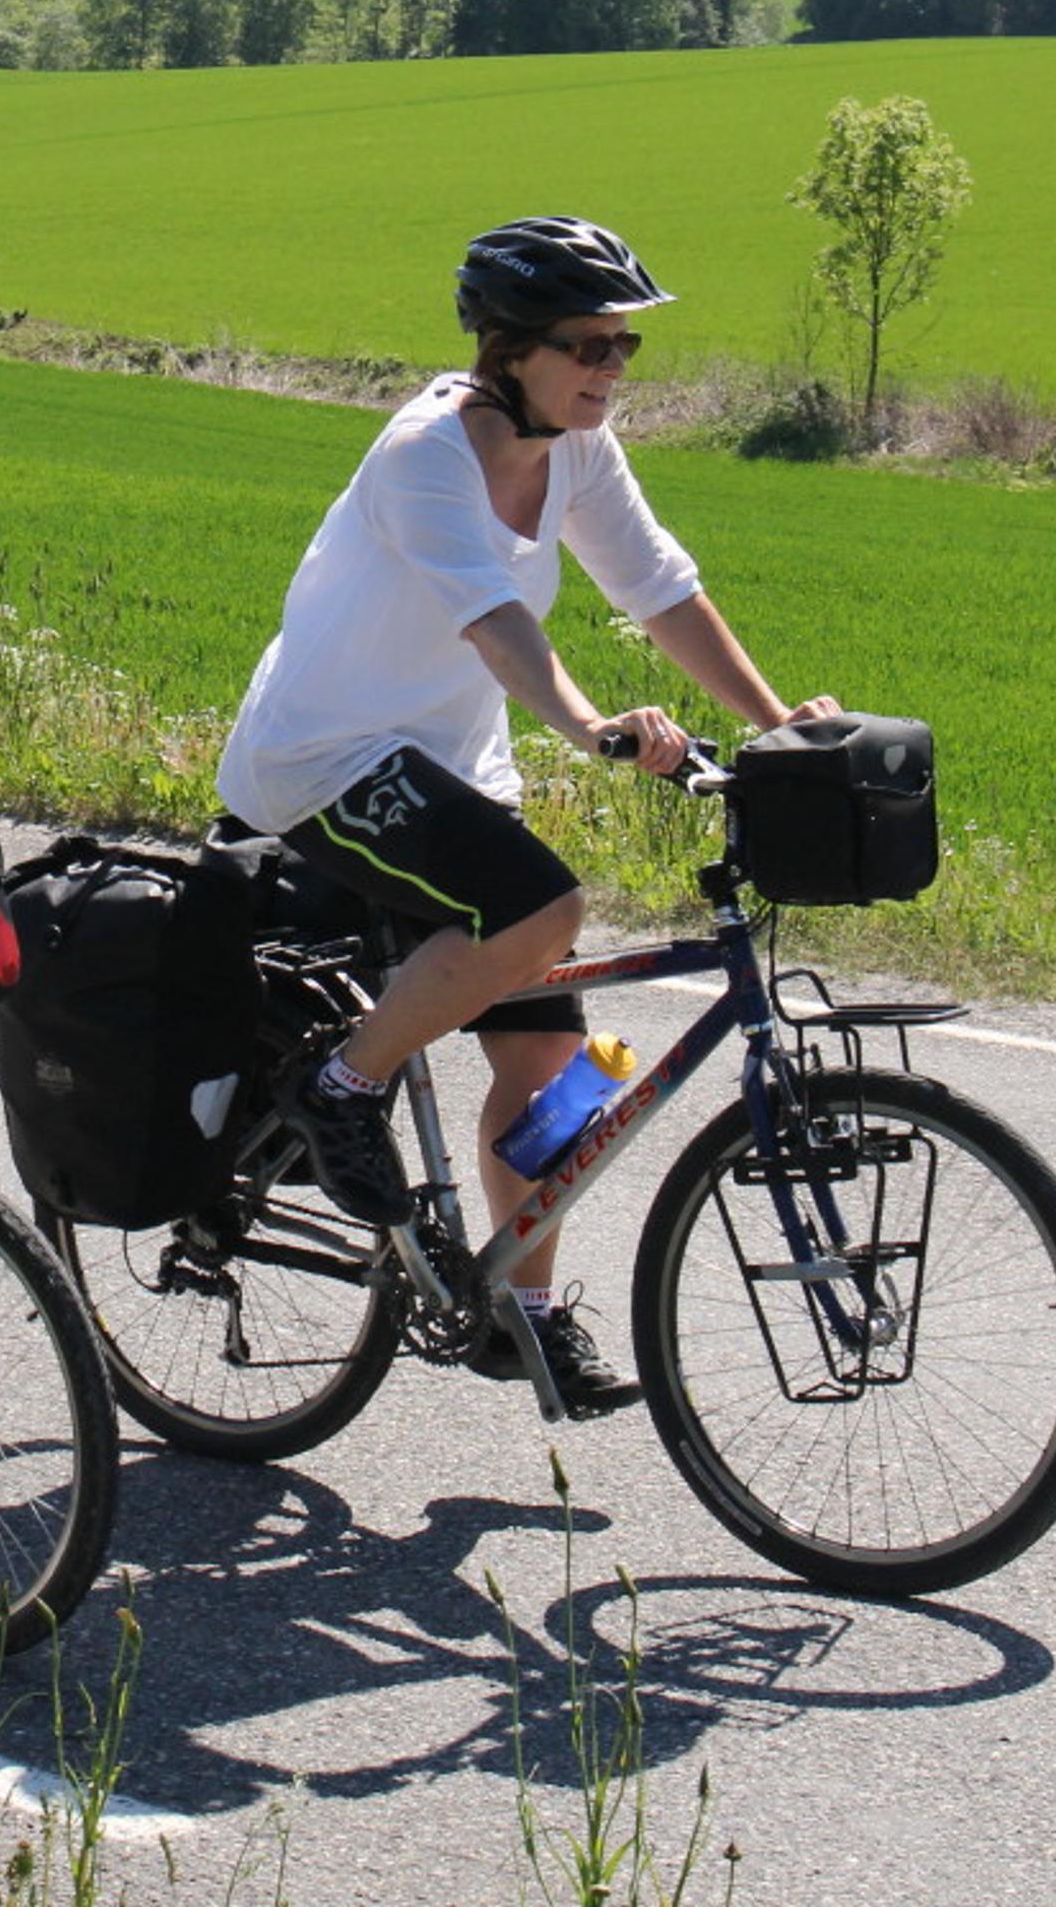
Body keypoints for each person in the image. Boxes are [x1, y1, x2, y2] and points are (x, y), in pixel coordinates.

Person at [214, 217, 841, 1415]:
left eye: (623, 347)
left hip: (448, 765)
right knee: (543, 903)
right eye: (587, 345)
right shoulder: (423, 456)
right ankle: (343, 1087)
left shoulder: (579, 450)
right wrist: (595, 726)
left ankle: (523, 1317)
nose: (611, 367)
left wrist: (774, 726)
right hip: (324, 760)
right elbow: (497, 623)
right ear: (509, 349)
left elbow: (657, 584)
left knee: (554, 1063)